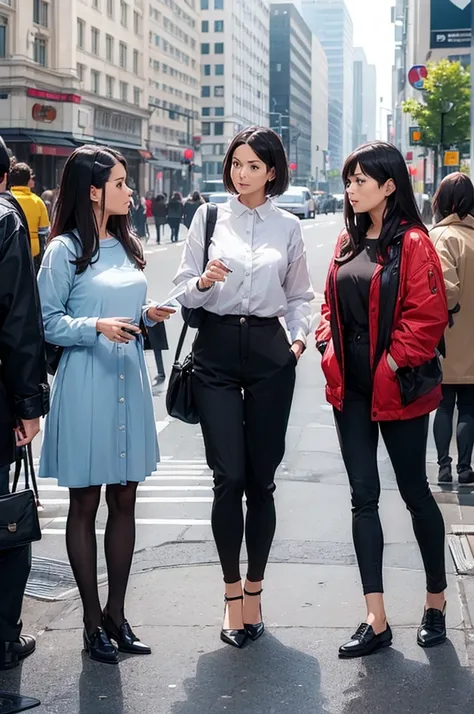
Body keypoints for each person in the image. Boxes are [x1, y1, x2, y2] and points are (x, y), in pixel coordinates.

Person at [174, 126, 314, 649]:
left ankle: (256, 586)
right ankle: (232, 593)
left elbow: (299, 295)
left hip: (268, 354)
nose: (242, 174)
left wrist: (296, 344)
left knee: (262, 480)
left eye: (253, 166)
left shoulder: (288, 226)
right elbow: (184, 288)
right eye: (236, 163)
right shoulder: (208, 217)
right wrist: (205, 281)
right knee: (227, 476)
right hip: (213, 352)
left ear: (272, 171)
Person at [37, 145, 174, 664]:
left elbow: (122, 309)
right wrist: (95, 326)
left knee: (125, 499)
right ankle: (91, 624)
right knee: (86, 502)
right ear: (93, 191)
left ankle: (117, 616)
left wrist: (146, 313)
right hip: (86, 383)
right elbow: (47, 322)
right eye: (120, 183)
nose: (130, 191)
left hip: (128, 377)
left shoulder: (126, 244)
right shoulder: (64, 251)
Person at [316, 141, 449, 659]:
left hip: (398, 386)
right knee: (362, 496)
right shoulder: (345, 243)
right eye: (348, 181)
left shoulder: (414, 243)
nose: (350, 189)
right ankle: (376, 618)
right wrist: (327, 345)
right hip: (348, 388)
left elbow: (428, 316)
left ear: (389, 185)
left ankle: (435, 602)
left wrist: (391, 363)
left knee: (415, 492)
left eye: (359, 181)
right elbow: (328, 306)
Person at [0, 135, 50, 670]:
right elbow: (17, 319)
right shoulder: (7, 218)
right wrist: (29, 402)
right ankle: (4, 638)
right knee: (6, 517)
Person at [431, 172, 474, 485]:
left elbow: (448, 292)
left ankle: (444, 467)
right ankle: (466, 468)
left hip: (447, 336)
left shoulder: (443, 238)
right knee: (470, 407)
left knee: (444, 405)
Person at [9, 162, 49, 273]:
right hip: (32, 252)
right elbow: (44, 230)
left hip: (8, 252)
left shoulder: (5, 198)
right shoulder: (37, 201)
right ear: (28, 180)